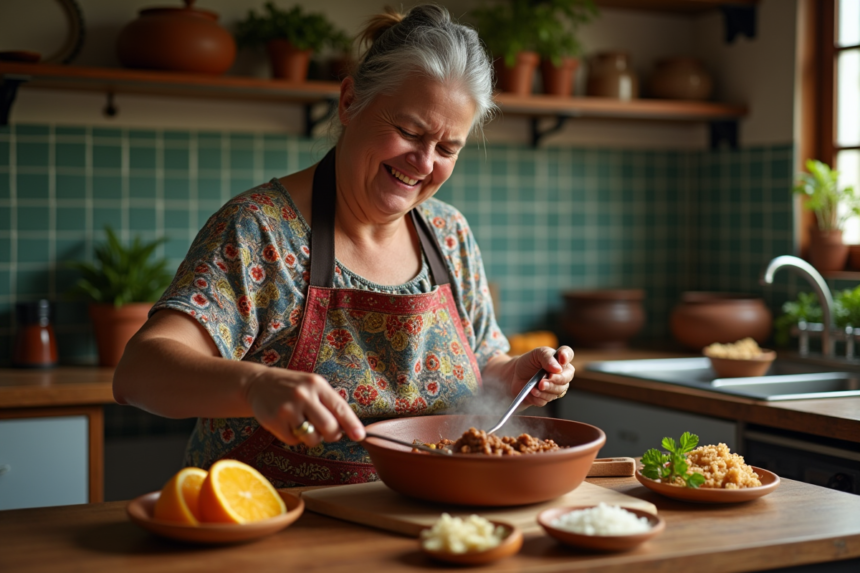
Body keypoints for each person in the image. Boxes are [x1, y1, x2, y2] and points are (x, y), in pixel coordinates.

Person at [113, 5, 575, 487]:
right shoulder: (260, 231)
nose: (422, 162)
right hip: (276, 531)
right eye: (409, 132)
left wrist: (516, 374)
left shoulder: (449, 233)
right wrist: (254, 385)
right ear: (350, 101)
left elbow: (483, 367)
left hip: (423, 525)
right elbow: (138, 373)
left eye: (447, 149)